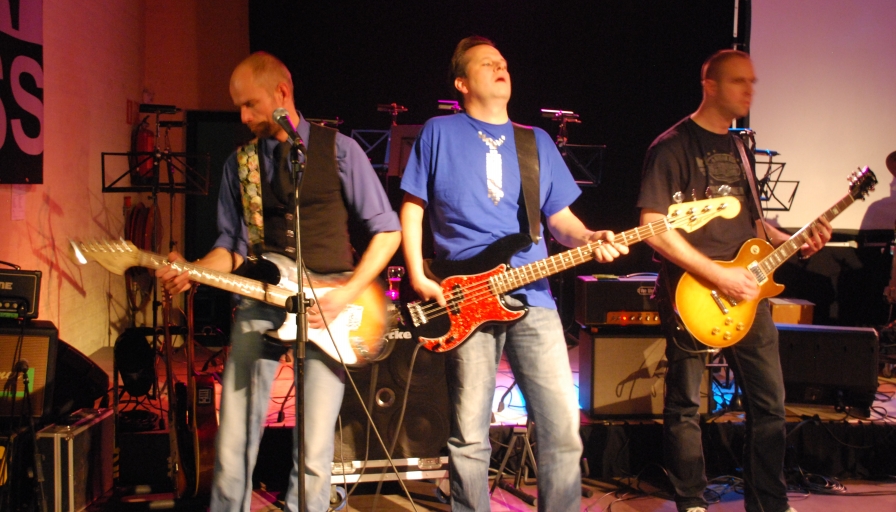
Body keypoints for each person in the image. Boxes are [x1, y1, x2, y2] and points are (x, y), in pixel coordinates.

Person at [156, 52, 401, 512]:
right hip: (263, 299)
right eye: (239, 107)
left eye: (250, 104)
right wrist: (195, 270)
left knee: (314, 448)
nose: (243, 117)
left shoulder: (341, 151)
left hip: (331, 306)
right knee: (234, 435)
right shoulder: (241, 163)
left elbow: (388, 232)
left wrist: (346, 293)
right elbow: (232, 245)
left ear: (282, 93)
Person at [400, 36, 628, 512]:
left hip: (533, 296)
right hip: (464, 296)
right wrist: (417, 275)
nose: (500, 67)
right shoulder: (439, 132)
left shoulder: (535, 140)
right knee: (470, 435)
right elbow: (413, 207)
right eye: (486, 63)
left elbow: (560, 221)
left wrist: (590, 237)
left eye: (502, 62)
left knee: (561, 428)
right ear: (462, 83)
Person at [637, 49, 832, 512]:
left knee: (769, 404)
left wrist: (793, 240)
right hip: (694, 291)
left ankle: (768, 500)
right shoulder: (671, 146)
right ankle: (691, 499)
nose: (749, 90)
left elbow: (753, 223)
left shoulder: (740, 147)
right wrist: (716, 274)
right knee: (686, 403)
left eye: (752, 81)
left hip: (749, 291)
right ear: (710, 85)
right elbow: (653, 226)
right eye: (739, 81)